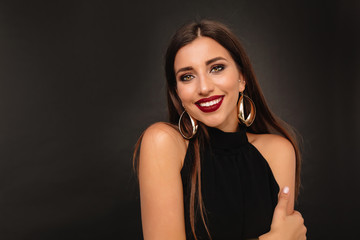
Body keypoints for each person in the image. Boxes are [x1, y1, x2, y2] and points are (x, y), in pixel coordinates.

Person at [134, 20, 307, 240]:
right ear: (178, 92)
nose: (204, 87)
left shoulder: (278, 151)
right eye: (187, 76)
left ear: (241, 78)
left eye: (216, 68)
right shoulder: (163, 143)